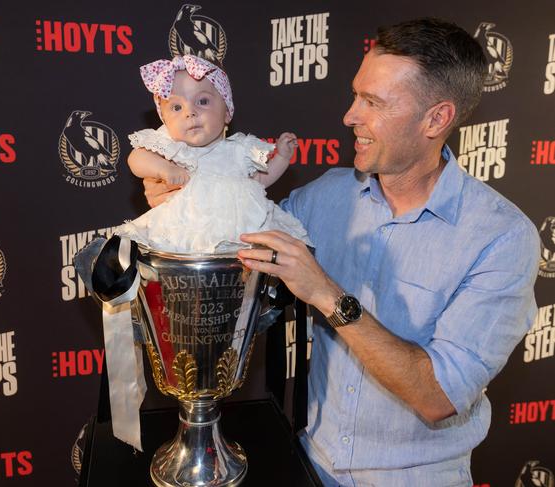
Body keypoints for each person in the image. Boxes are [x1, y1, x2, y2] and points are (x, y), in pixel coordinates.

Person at [144, 18, 540, 487]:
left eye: (373, 102)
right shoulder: (325, 196)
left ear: (436, 119)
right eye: (356, 95)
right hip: (312, 465)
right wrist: (186, 203)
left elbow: (440, 395)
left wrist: (328, 294)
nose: (350, 116)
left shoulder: (502, 237)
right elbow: (237, 249)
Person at [121, 54, 311, 253]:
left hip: (239, 235)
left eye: (202, 101)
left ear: (227, 112)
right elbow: (136, 158)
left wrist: (281, 157)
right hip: (184, 233)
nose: (190, 112)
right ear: (165, 121)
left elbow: (259, 183)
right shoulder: (171, 148)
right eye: (177, 107)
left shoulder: (238, 150)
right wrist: (163, 168)